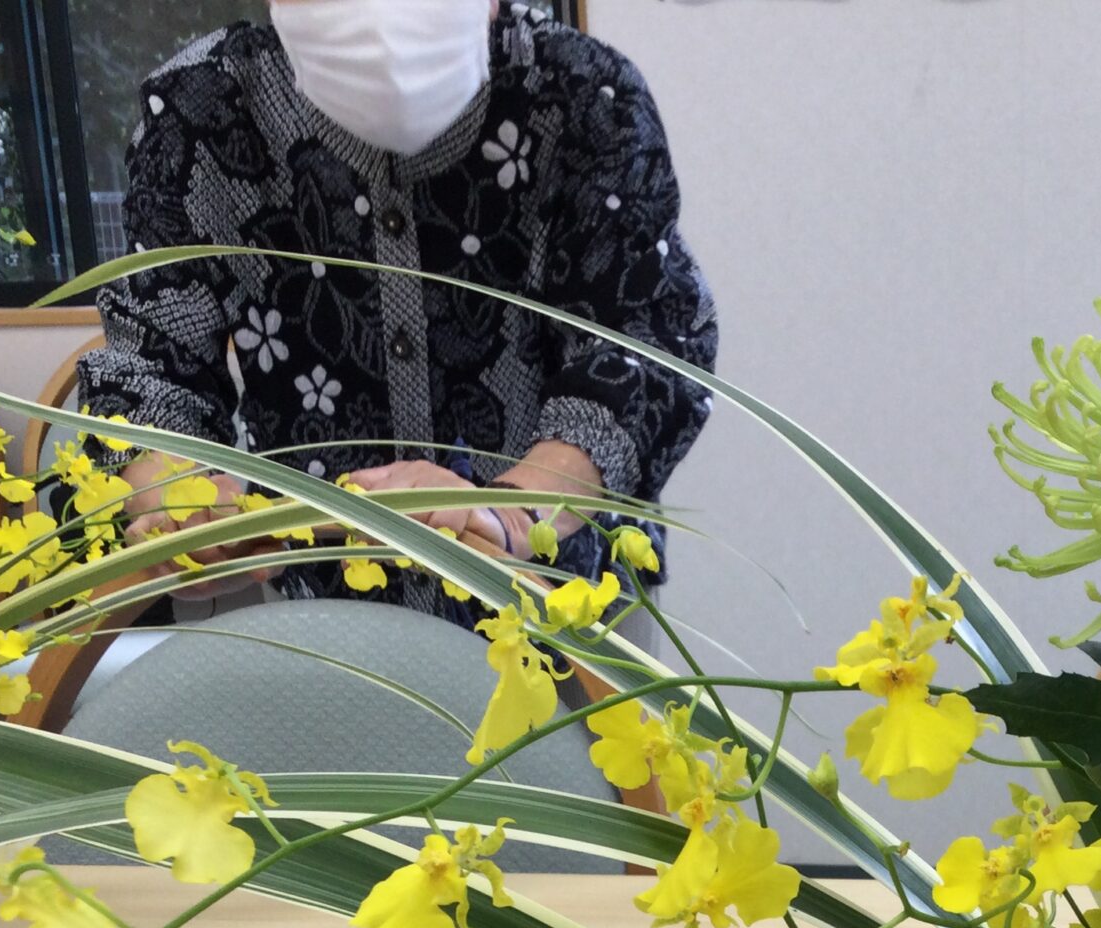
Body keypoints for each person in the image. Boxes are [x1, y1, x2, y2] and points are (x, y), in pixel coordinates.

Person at [78, 0, 717, 621]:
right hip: (326, 618)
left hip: (566, 608)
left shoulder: (583, 95)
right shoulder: (202, 106)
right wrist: (176, 497)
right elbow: (151, 360)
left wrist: (518, 511)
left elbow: (645, 342)